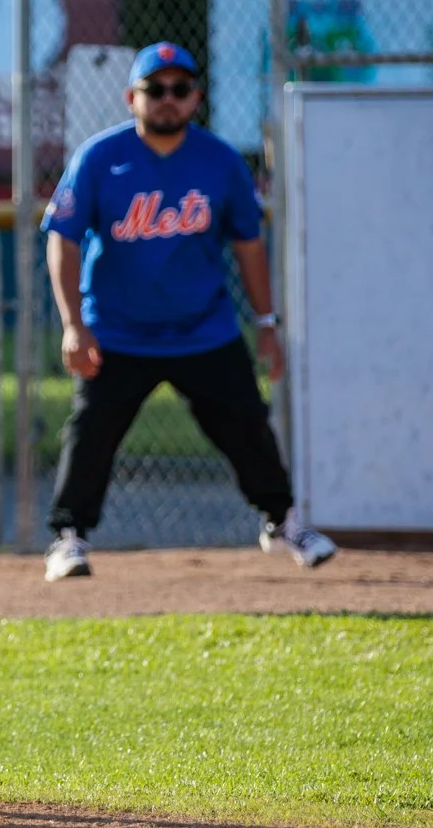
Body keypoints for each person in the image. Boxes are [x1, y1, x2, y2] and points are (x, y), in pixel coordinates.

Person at [40, 41, 338, 583]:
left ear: (196, 97)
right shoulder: (100, 157)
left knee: (248, 426)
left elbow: (249, 247)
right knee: (92, 429)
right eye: (156, 89)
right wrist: (73, 325)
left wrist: (267, 325)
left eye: (180, 89)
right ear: (132, 97)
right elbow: (62, 237)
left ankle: (283, 520)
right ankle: (68, 537)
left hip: (203, 327)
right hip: (117, 330)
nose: (168, 99)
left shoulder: (220, 160)